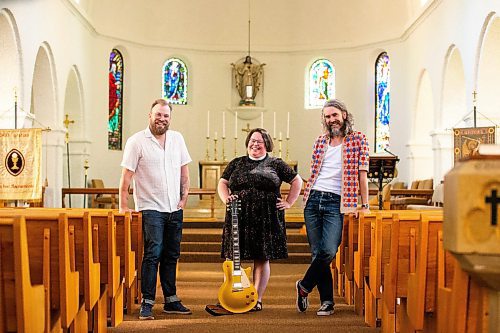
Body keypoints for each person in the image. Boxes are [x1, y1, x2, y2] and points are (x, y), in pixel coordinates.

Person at [119, 98, 192, 320]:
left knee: (171, 255)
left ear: (170, 118)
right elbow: (126, 178)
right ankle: (147, 302)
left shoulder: (177, 139)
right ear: (150, 116)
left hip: (174, 208)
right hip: (150, 208)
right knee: (153, 253)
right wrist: (123, 205)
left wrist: (184, 197)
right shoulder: (136, 142)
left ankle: (171, 299)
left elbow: (184, 171)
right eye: (158, 115)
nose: (162, 119)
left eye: (166, 116)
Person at [296, 99, 370, 316]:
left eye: (334, 115)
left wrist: (364, 204)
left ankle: (304, 286)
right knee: (318, 252)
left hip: (336, 201)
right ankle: (327, 301)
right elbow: (315, 172)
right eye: (327, 117)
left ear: (344, 115)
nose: (331, 120)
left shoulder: (358, 139)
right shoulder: (320, 141)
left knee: (329, 250)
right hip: (313, 199)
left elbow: (362, 174)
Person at [218, 128, 303, 312]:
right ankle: (232, 294)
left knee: (262, 257)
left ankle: (255, 298)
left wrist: (289, 202)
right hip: (237, 215)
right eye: (252, 140)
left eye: (259, 141)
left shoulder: (276, 163)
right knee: (232, 257)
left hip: (266, 216)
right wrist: (226, 198)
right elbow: (223, 183)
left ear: (267, 144)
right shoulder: (236, 163)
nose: (255, 144)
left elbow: (297, 181)